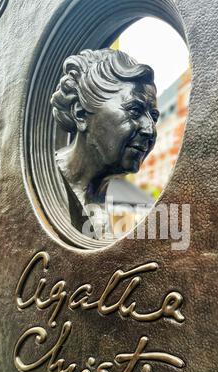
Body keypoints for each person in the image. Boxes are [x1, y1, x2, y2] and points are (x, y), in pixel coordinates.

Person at [51, 48, 159, 237]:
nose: (150, 130)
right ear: (80, 113)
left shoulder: (103, 211)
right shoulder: (37, 187)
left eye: (154, 117)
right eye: (134, 111)